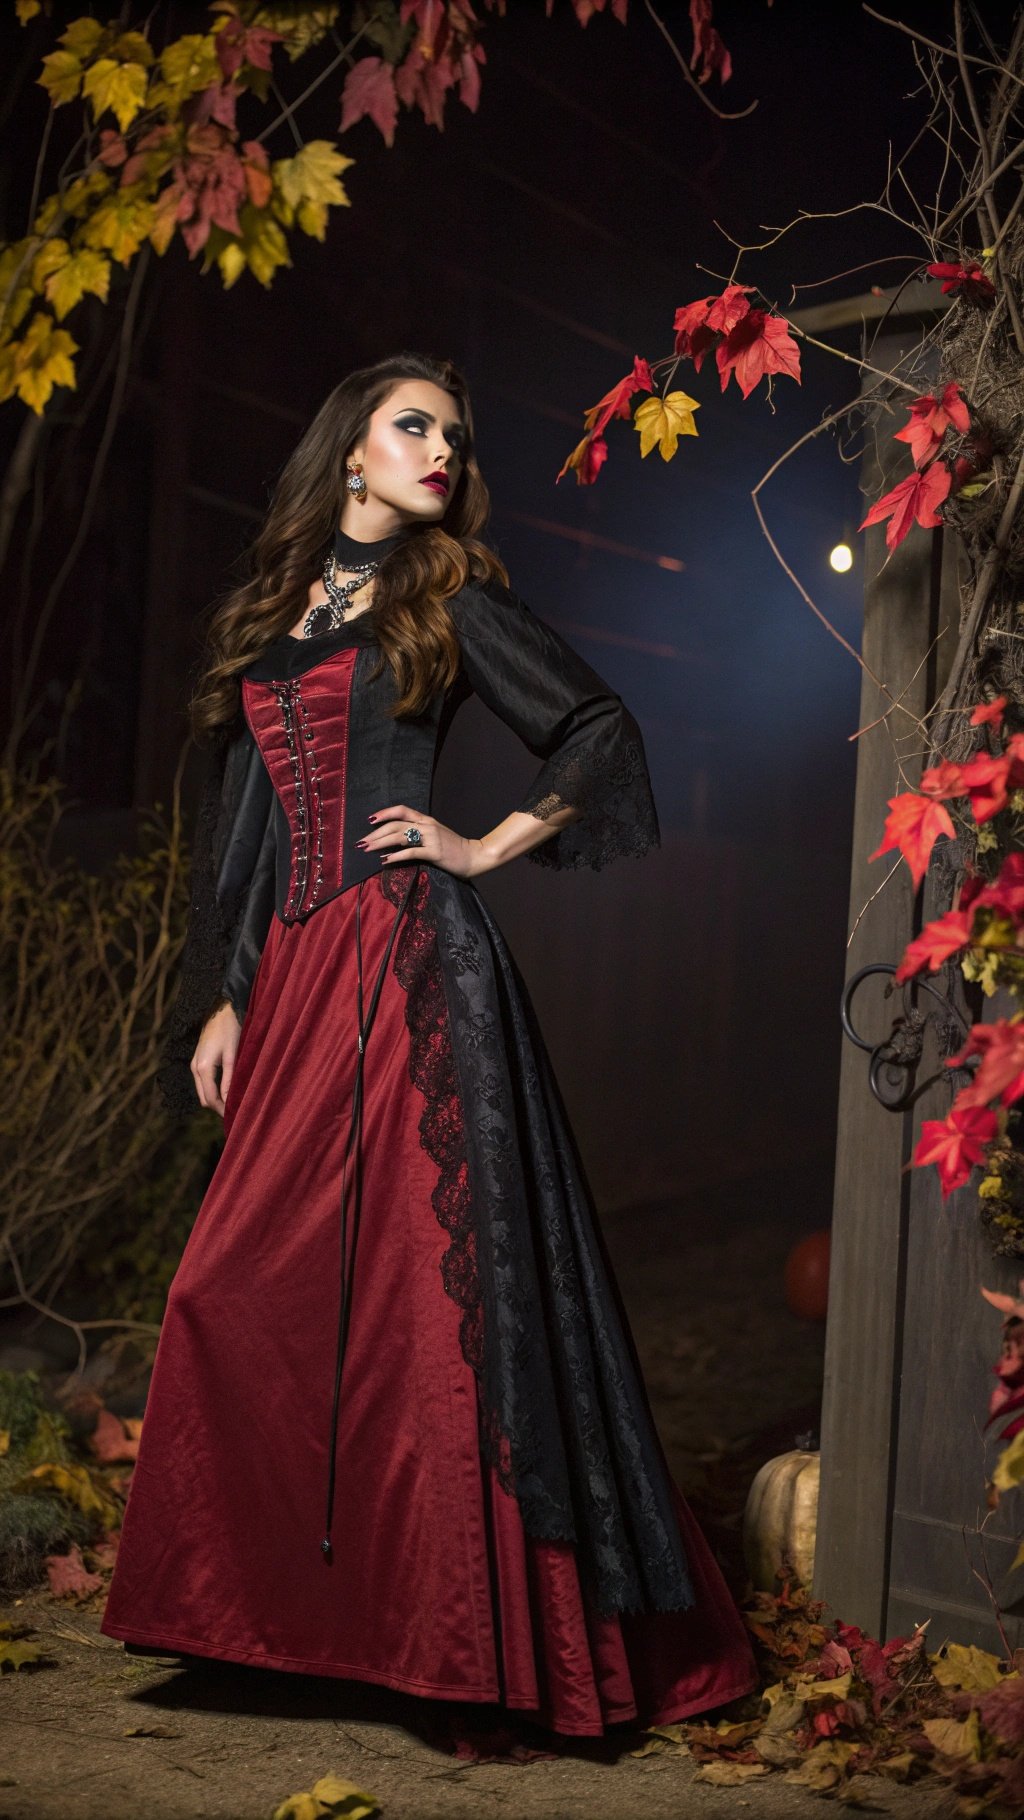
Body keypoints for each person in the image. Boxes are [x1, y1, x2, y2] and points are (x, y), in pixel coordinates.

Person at [99, 351, 759, 1739]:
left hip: (409, 968)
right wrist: (225, 997)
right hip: (296, 981)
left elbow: (595, 728)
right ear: (351, 449)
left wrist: (479, 846)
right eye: (414, 427)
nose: (442, 450)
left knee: (428, 1311)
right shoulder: (278, 609)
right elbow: (249, 832)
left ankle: (467, 1642)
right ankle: (291, 1619)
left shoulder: (445, 594)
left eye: (455, 433)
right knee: (232, 1287)